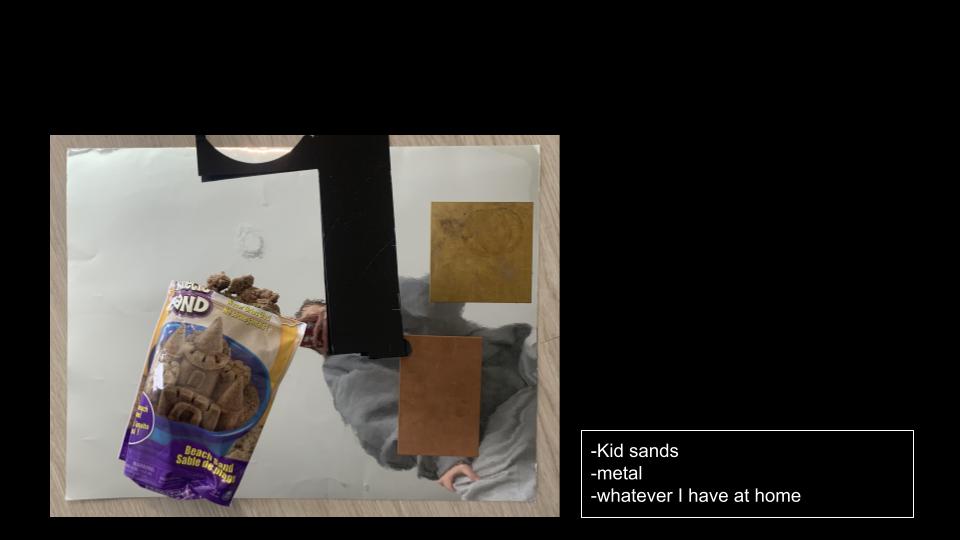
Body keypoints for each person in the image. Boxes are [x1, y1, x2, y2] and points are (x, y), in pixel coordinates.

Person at [295, 275, 537, 498]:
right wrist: (447, 458)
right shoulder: (344, 371)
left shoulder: (376, 305)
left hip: (515, 366)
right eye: (308, 334)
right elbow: (383, 417)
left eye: (316, 320)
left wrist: (358, 311)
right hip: (480, 424)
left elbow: (437, 298)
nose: (316, 331)